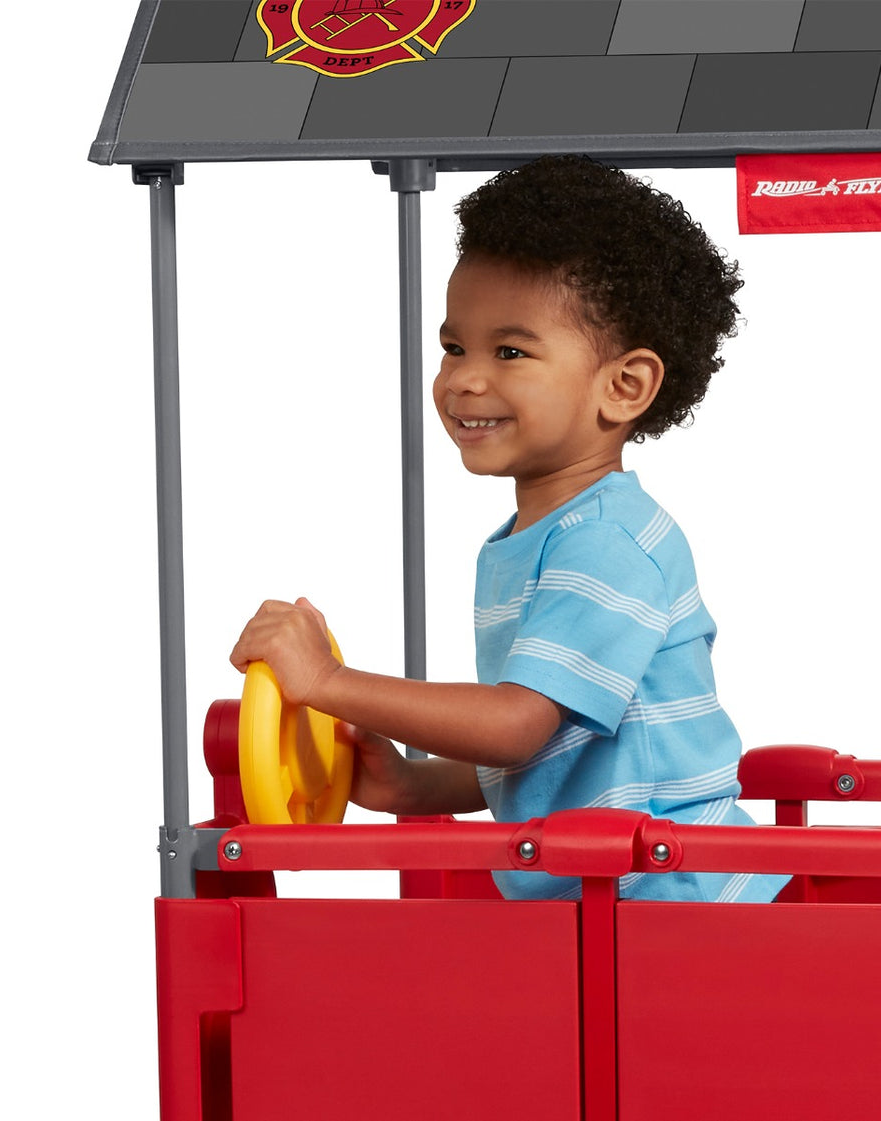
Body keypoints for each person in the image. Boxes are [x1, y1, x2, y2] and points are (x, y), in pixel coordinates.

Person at [231, 155, 787, 903]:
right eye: (454, 346)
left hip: (676, 898)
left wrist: (329, 683)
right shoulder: (541, 535)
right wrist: (413, 783)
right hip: (609, 895)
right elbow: (553, 749)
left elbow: (517, 724)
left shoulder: (608, 544)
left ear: (623, 386)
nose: (463, 378)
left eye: (510, 352)